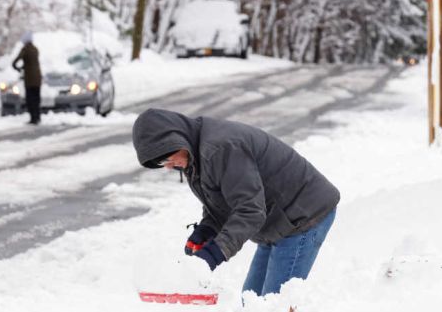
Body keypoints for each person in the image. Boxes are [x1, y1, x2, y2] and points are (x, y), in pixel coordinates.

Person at [131, 108, 340, 296]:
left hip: (303, 215)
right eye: (160, 163)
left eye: (166, 158)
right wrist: (207, 230)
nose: (168, 166)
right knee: (251, 299)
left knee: (273, 307)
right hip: (276, 219)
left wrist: (214, 254)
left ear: (176, 139)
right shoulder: (194, 155)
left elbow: (250, 211)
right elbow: (227, 200)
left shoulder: (220, 148)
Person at [12, 31, 42, 125]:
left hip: (29, 79)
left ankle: (33, 118)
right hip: (38, 77)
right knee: (36, 98)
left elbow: (16, 61)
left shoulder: (25, 49)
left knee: (30, 98)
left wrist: (18, 68)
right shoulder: (35, 49)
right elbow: (32, 62)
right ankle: (37, 117)